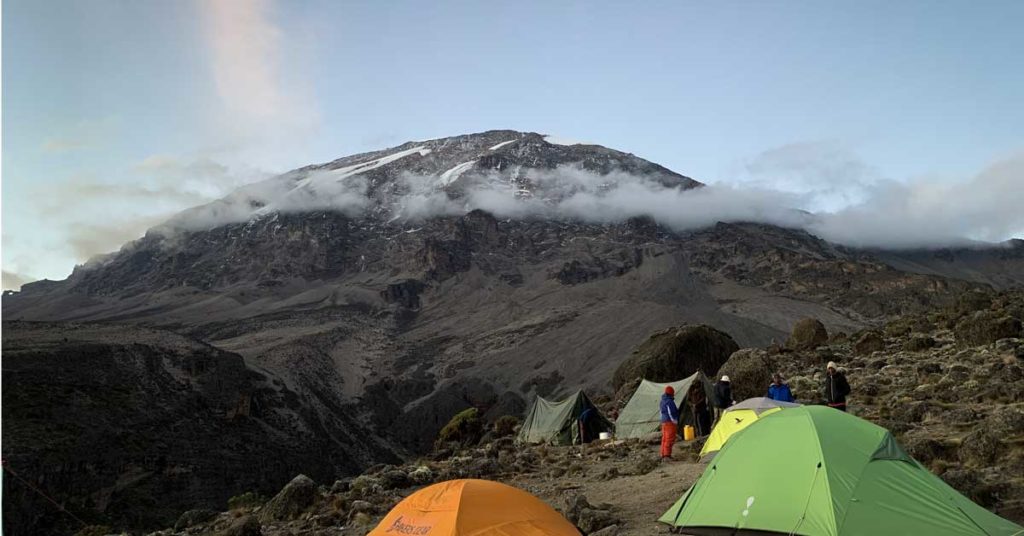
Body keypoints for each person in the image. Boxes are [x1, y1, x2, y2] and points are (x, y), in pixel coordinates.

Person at [659, 385, 680, 460]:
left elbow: (661, 412)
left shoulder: (662, 401)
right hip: (669, 422)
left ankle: (663, 454)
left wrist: (661, 420)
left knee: (664, 438)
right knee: (670, 438)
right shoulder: (669, 401)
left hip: (664, 421)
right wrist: (674, 420)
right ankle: (667, 455)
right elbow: (670, 412)